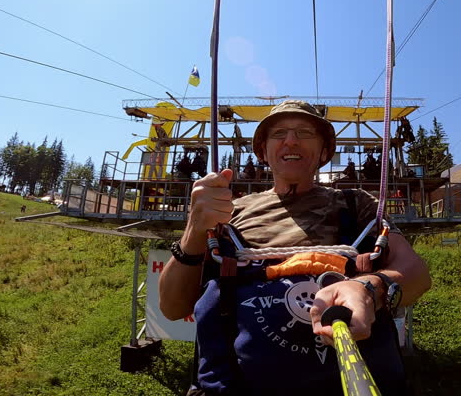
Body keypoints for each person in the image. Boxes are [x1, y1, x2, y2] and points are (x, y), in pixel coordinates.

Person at [159, 100, 431, 396]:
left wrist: (370, 288)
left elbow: (416, 273)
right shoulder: (228, 213)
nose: (291, 140)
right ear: (263, 152)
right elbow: (172, 308)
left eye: (304, 132)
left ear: (325, 151)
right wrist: (194, 230)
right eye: (279, 134)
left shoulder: (358, 206)